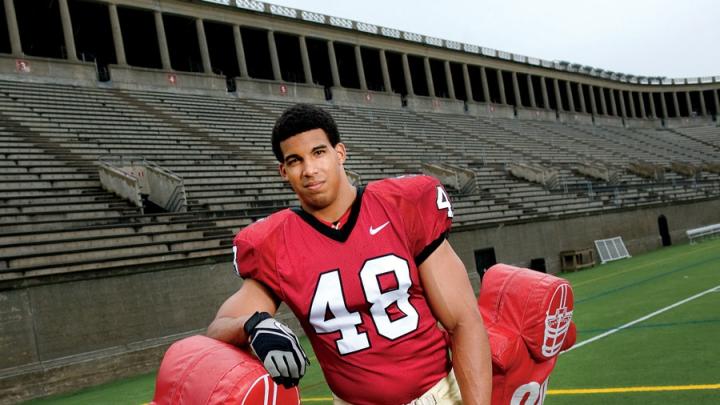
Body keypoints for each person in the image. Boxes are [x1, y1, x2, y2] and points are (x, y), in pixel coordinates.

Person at [207, 103, 492, 405]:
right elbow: (220, 326)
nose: (309, 170)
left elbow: (463, 322)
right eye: (295, 160)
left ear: (339, 153)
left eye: (319, 153)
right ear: (283, 171)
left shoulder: (402, 206)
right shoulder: (275, 243)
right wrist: (253, 326)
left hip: (438, 396)